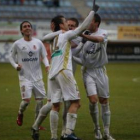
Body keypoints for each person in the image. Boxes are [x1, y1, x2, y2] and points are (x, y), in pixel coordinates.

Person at [31, 10, 95, 140]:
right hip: (64, 71)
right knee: (76, 102)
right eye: (65, 22)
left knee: (55, 105)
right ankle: (68, 133)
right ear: (61, 25)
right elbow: (82, 27)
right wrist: (92, 13)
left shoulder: (53, 38)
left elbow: (44, 38)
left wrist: (61, 31)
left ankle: (54, 136)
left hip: (52, 75)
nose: (68, 24)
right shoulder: (65, 35)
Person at [73, 13, 115, 140]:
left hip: (100, 71)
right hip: (87, 71)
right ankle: (97, 129)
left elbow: (98, 40)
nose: (87, 24)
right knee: (93, 100)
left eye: (90, 21)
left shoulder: (103, 32)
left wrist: (82, 35)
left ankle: (106, 133)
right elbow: (75, 48)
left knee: (104, 101)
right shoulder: (84, 33)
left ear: (96, 23)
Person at [9, 21, 49, 129]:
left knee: (40, 101)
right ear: (22, 30)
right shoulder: (17, 44)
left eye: (29, 26)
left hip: (38, 78)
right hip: (24, 77)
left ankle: (37, 123)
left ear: (32, 29)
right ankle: (20, 113)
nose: (27, 28)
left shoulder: (38, 42)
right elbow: (11, 57)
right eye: (25, 27)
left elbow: (44, 56)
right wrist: (16, 65)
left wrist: (47, 66)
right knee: (26, 101)